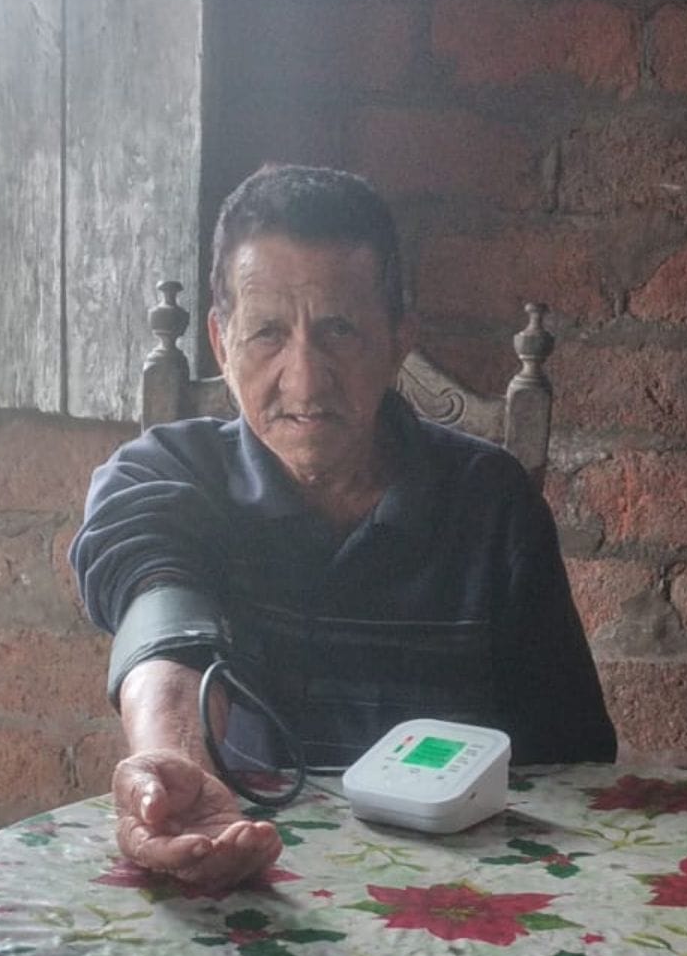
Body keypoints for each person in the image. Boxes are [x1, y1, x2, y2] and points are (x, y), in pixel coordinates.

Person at [71, 164, 615, 889]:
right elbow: (161, 613)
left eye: (339, 331)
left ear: (398, 340)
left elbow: (570, 766)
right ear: (221, 342)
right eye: (267, 333)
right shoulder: (167, 473)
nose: (305, 380)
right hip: (241, 864)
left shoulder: (491, 504)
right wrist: (177, 766)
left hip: (456, 896)